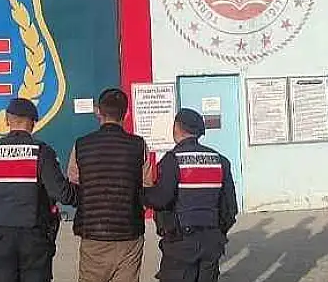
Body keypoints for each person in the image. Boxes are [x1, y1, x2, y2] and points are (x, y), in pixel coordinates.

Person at [0, 98, 79, 282]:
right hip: (34, 239)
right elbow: (61, 193)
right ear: (33, 123)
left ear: (6, 121)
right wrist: (87, 194)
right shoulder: (42, 152)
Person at [67, 88, 153, 282]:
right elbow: (147, 187)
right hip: (129, 234)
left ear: (98, 111)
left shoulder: (81, 145)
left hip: (93, 235)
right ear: (126, 113)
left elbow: (74, 185)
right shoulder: (139, 145)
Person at [143, 108, 238, 282]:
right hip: (211, 240)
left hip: (181, 243)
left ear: (177, 128)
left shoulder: (172, 160)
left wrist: (144, 191)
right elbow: (230, 208)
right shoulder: (220, 160)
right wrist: (218, 232)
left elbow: (161, 200)